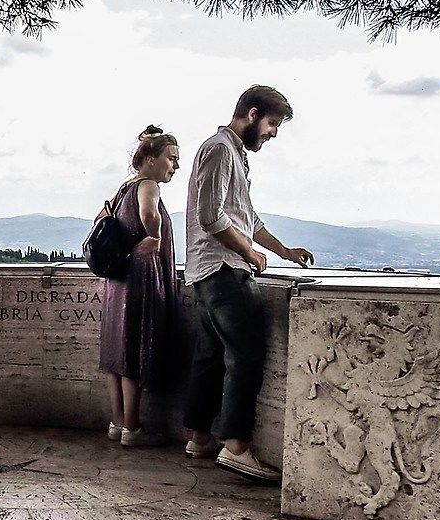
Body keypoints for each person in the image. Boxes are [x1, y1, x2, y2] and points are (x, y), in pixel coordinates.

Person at [182, 85, 315, 481]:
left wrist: (283, 251)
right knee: (246, 354)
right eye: (273, 124)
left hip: (208, 271)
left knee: (210, 355)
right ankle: (237, 447)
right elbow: (211, 216)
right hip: (223, 269)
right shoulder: (220, 149)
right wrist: (250, 254)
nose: (273, 134)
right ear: (253, 114)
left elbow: (246, 218)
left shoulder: (233, 153)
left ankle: (199, 437)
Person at [97, 126, 185, 445]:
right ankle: (133, 429)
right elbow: (149, 213)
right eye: (171, 158)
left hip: (118, 278)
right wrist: (155, 236)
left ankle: (118, 422)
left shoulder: (124, 188)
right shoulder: (148, 185)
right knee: (133, 349)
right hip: (140, 276)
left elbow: (100, 220)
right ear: (150, 159)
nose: (175, 166)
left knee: (116, 350)